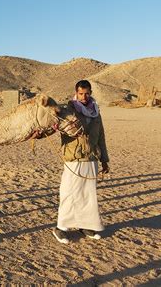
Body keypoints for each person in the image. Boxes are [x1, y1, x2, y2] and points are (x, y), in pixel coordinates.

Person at [53, 80, 110, 244]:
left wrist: (104, 159)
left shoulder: (96, 112)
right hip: (74, 158)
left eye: (86, 93)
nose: (84, 97)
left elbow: (101, 137)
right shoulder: (67, 111)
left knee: (87, 194)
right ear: (76, 93)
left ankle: (85, 225)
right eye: (80, 93)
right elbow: (52, 125)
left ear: (90, 93)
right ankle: (61, 228)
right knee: (69, 192)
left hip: (91, 158)